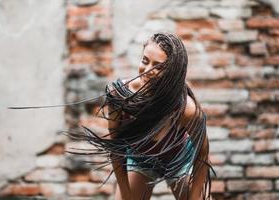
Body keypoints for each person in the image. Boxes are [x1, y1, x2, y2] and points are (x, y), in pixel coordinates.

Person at [78, 32, 214, 200]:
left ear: (172, 72)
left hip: (179, 160)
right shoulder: (120, 96)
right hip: (140, 160)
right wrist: (126, 193)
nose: (147, 70)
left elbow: (202, 154)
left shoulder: (186, 109)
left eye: (157, 66)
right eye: (145, 61)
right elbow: (116, 149)